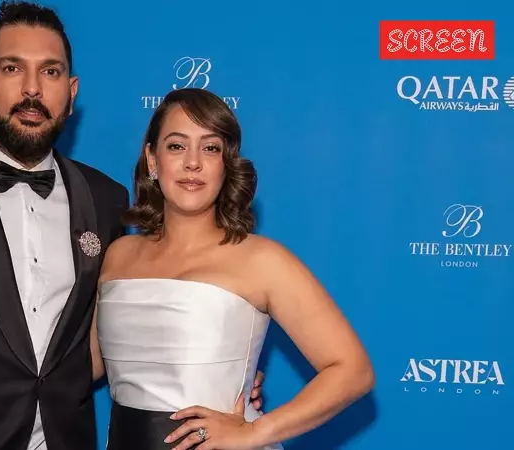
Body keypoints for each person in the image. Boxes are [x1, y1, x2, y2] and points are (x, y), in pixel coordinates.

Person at [0, 2, 266, 450]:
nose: (32, 88)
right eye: (13, 68)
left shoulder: (105, 199)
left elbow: (121, 330)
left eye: (50, 72)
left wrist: (219, 371)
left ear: (71, 93)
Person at [94, 88, 375, 450]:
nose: (193, 162)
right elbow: (83, 365)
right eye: (177, 146)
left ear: (226, 164)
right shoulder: (118, 255)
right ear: (152, 159)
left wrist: (256, 432)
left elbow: (353, 370)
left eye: (210, 148)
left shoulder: (262, 260)